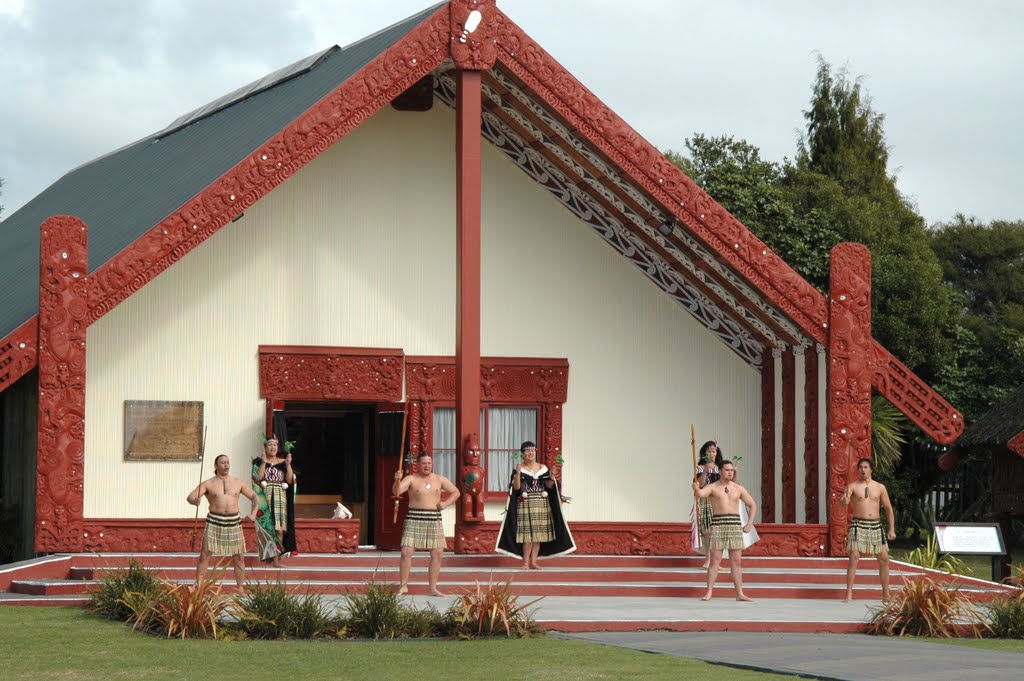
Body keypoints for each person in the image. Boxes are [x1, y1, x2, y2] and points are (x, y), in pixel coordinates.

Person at [495, 441, 576, 568]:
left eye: (532, 450)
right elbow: (516, 488)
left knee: (538, 535)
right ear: (522, 454)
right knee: (528, 536)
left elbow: (549, 486)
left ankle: (534, 562)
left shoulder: (543, 468)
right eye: (527, 450)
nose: (530, 453)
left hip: (542, 504)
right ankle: (526, 563)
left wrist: (551, 476)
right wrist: (517, 473)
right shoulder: (519, 469)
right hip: (525, 504)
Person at [393, 452, 460, 596]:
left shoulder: (439, 479)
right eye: (424, 463)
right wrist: (397, 480)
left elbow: (456, 492)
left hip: (433, 517)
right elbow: (396, 491)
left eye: (429, 463)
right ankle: (403, 586)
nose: (427, 466)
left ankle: (432, 588)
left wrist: (446, 503)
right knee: (406, 552)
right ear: (417, 465)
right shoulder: (411, 478)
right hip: (414, 517)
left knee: (437, 553)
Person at [186, 454, 258, 589]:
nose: (226, 465)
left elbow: (255, 497)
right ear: (216, 466)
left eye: (227, 462)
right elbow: (191, 496)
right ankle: (199, 585)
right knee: (204, 554)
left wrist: (253, 514)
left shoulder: (238, 482)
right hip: (214, 520)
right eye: (223, 463)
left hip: (233, 521)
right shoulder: (208, 483)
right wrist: (194, 500)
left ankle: (240, 587)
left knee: (239, 556)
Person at [692, 460, 757, 601]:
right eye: (727, 470)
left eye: (732, 470)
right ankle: (709, 592)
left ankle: (739, 593)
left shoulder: (738, 488)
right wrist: (696, 488)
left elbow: (752, 504)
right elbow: (701, 494)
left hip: (734, 524)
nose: (730, 472)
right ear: (720, 471)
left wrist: (750, 523)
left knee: (737, 561)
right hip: (718, 524)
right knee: (715, 560)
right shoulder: (713, 487)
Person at [840, 457, 896, 602]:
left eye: (866, 467)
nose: (863, 470)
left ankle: (886, 593)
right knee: (854, 557)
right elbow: (842, 501)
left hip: (875, 525)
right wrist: (844, 500)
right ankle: (849, 593)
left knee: (884, 559)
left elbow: (888, 508)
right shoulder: (852, 486)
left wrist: (892, 529)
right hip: (858, 524)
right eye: (860, 467)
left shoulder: (880, 487)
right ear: (857, 470)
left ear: (870, 470)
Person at [252, 435, 296, 567]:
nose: (273, 447)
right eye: (270, 445)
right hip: (265, 497)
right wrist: (264, 462)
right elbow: (257, 478)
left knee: (279, 530)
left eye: (275, 445)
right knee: (267, 529)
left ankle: (277, 560)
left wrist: (288, 465)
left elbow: (289, 481)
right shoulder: (258, 462)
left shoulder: (283, 462)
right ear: (265, 447)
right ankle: (268, 559)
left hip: (279, 496)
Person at [692, 440, 721, 568]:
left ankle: (717, 561)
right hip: (706, 501)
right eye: (709, 451)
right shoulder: (699, 468)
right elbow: (700, 485)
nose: (711, 453)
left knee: (718, 532)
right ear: (704, 453)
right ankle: (708, 559)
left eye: (713, 451)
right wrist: (705, 471)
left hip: (719, 501)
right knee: (709, 531)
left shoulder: (721, 468)